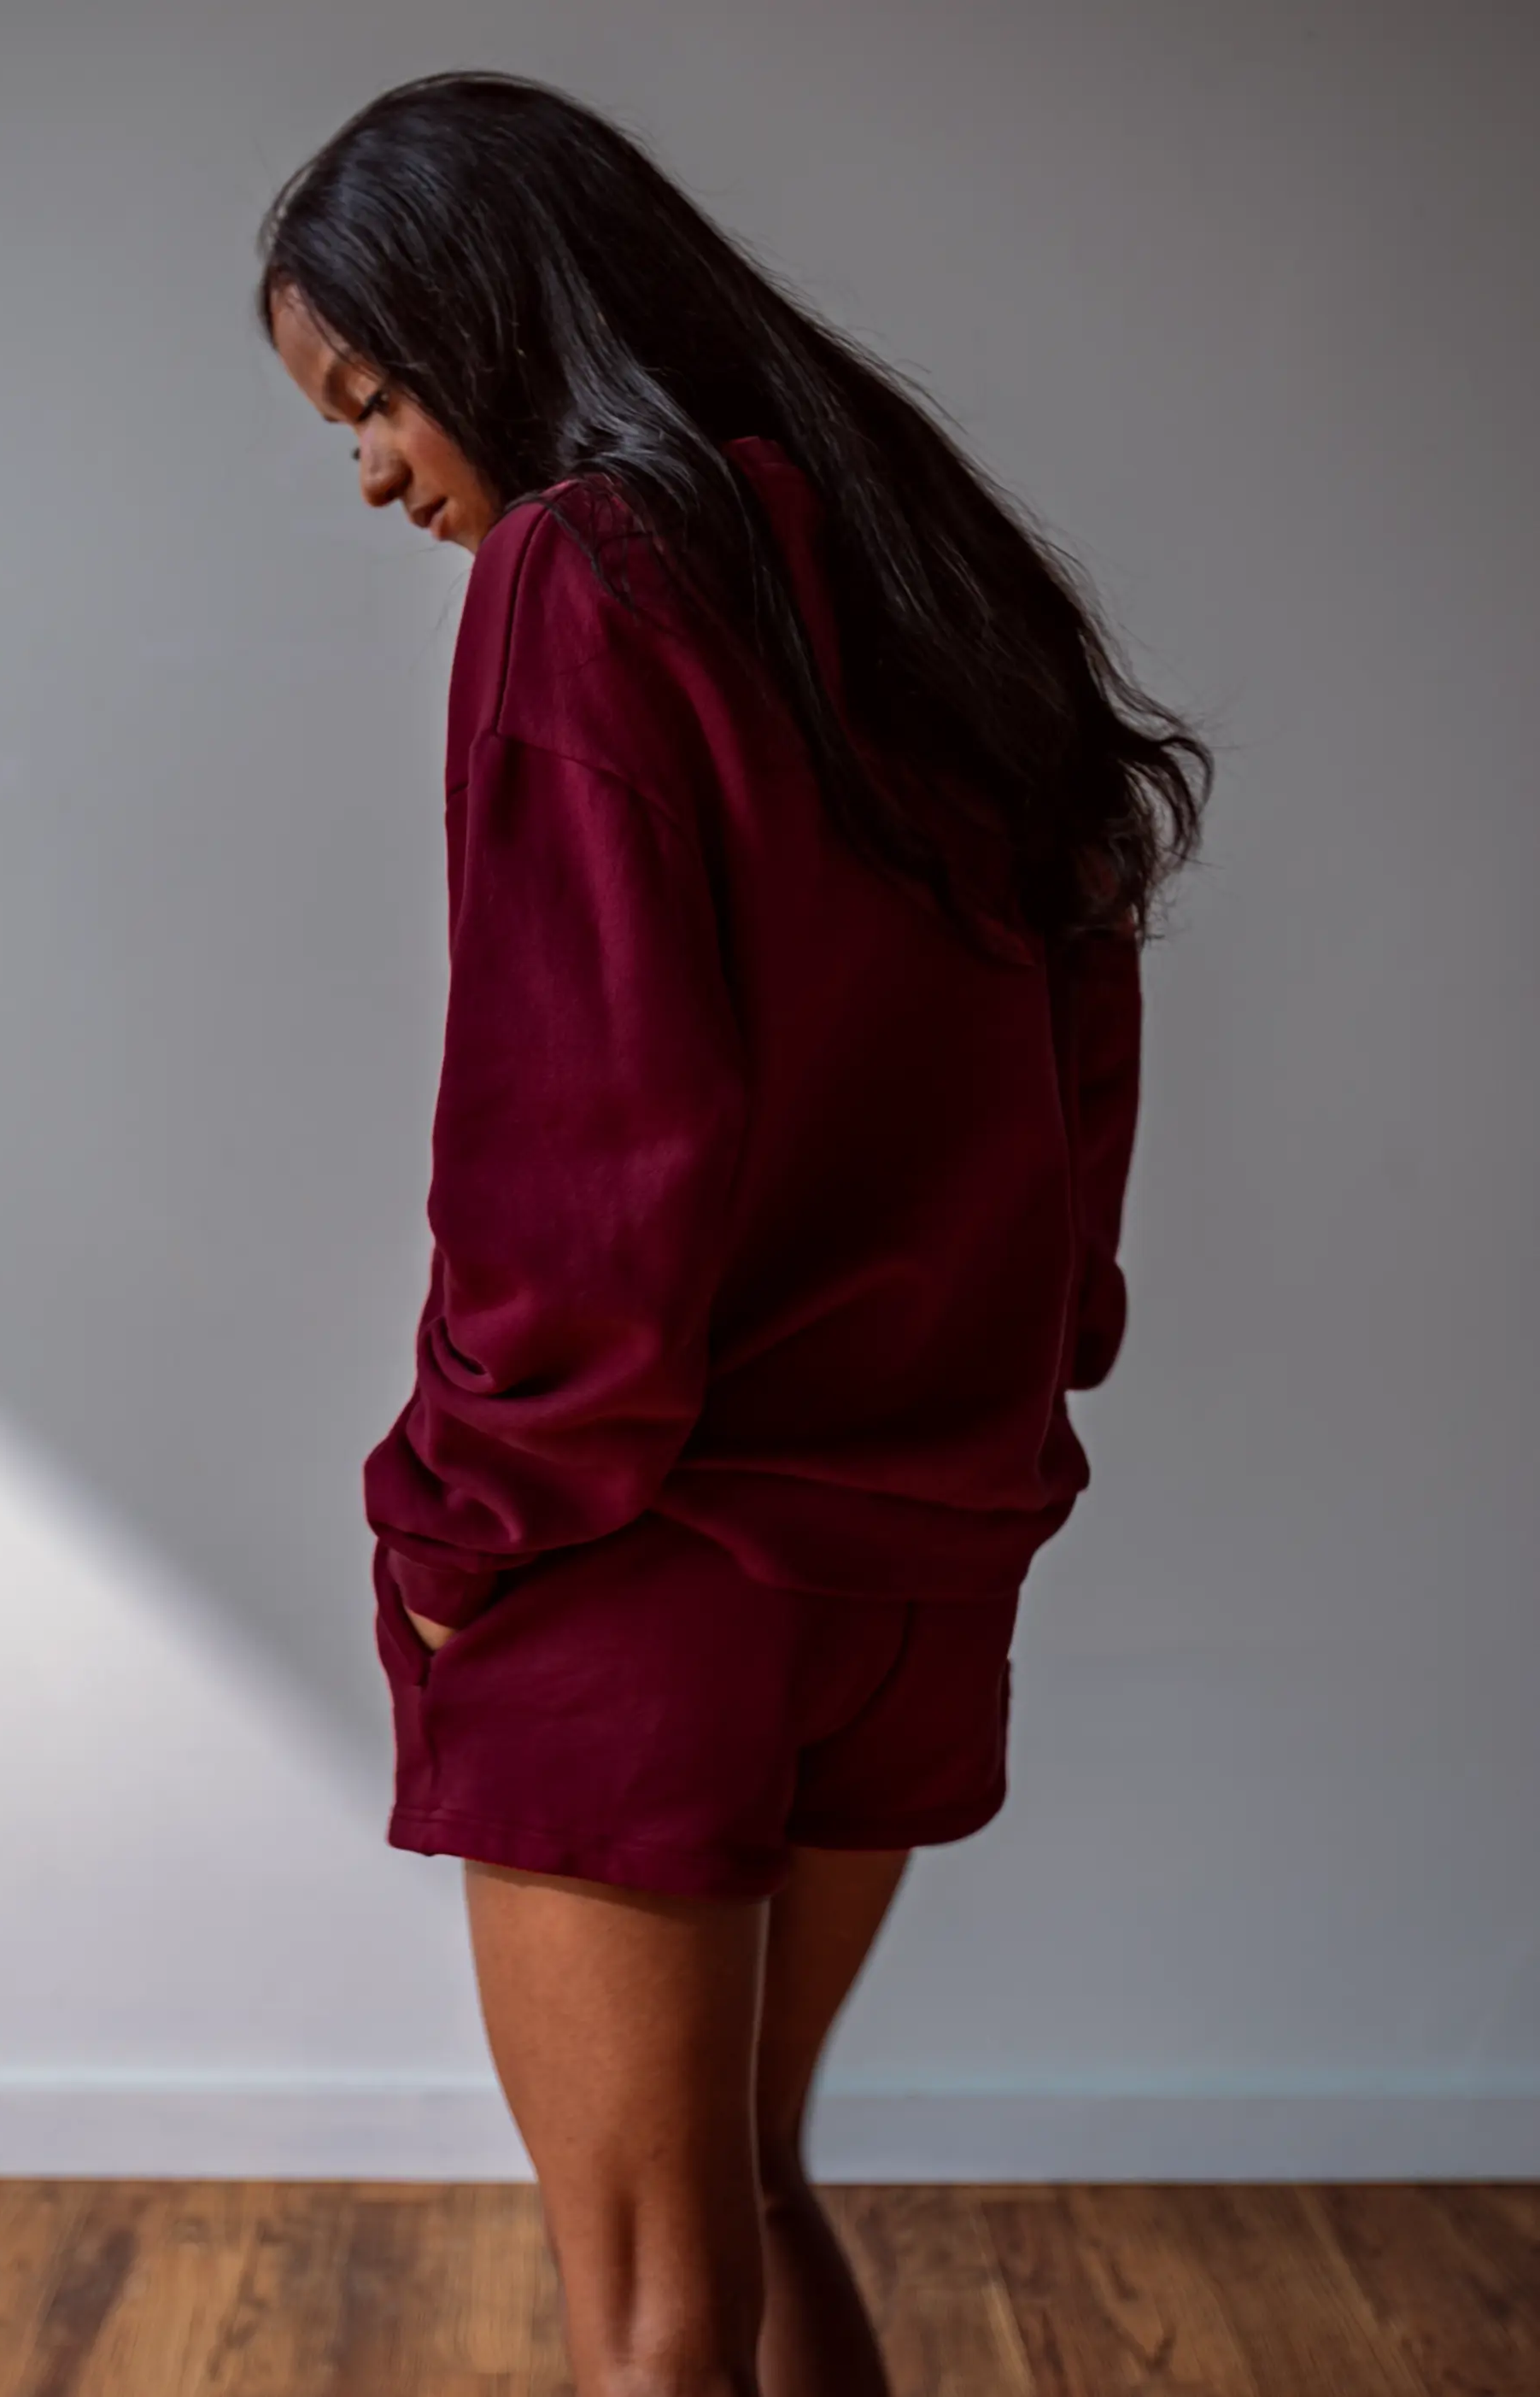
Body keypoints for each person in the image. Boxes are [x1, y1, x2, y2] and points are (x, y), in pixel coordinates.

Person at [256, 67, 1211, 2397]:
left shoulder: (588, 570)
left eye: (373, 390)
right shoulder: (917, 564)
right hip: (914, 1551)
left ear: (493, 315)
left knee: (645, 2306)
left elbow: (585, 1121)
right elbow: (1082, 1028)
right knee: (755, 2199)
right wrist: (1025, 1350)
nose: (373, 466)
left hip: (652, 1556)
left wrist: (463, 1521)